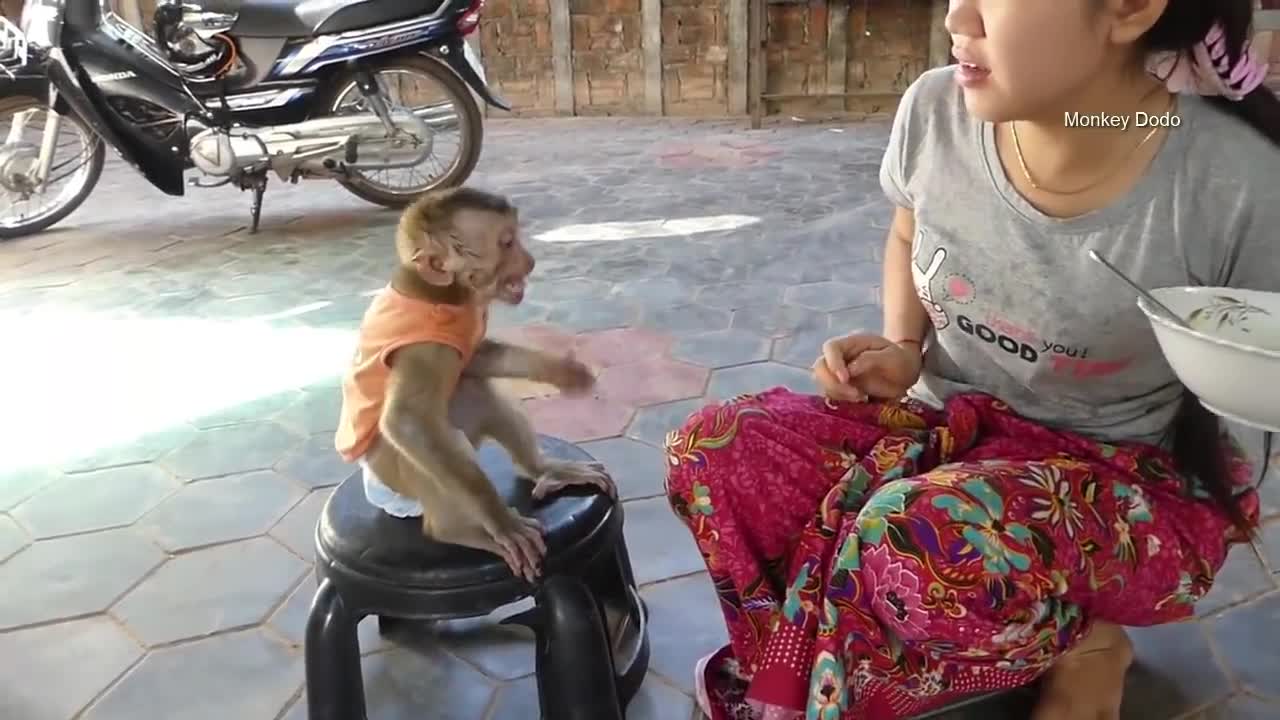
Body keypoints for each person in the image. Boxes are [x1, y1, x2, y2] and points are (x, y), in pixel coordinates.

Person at [662, 1, 1280, 719]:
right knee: (714, 452)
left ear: (1130, 7)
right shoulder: (937, 109)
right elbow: (908, 231)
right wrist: (902, 347)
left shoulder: (1233, 184)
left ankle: (1081, 642)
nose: (958, 14)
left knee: (914, 538)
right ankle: (811, 670)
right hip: (948, 434)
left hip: (1121, 479)